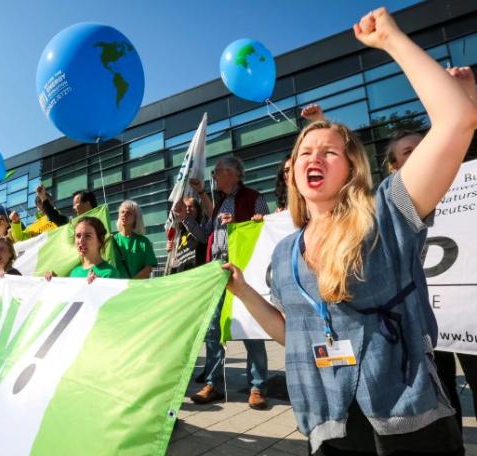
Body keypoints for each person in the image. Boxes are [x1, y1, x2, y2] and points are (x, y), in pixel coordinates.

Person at [223, 10, 477, 454]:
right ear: (292, 171)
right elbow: (292, 333)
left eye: (328, 152)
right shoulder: (285, 254)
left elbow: (457, 120)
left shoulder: (387, 212)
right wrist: (243, 292)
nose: (312, 158)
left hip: (408, 421)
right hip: (328, 424)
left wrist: (393, 40)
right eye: (304, 152)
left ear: (353, 167)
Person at [382, 66, 477, 431]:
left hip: (466, 311)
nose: (420, 154)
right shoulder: (391, 203)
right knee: (442, 392)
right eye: (408, 152)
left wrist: (467, 94)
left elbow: (461, 133)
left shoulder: (464, 178)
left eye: (424, 146)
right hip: (422, 314)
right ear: (393, 166)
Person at [186, 156, 270, 409]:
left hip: (242, 272)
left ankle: (257, 386)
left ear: (234, 174)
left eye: (219, 172)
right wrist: (186, 220)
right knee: (213, 330)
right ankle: (212, 383)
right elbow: (204, 235)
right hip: (217, 270)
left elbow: (265, 232)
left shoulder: (255, 198)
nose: (215, 176)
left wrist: (240, 226)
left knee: (249, 329)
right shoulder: (220, 202)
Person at [45, 217, 119, 282]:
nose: (81, 240)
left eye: (87, 236)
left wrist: (97, 287)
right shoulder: (74, 272)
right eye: (78, 236)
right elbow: (71, 297)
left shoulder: (109, 273)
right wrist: (55, 283)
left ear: (100, 240)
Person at [112, 200, 157, 279]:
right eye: (122, 212)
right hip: (117, 288)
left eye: (128, 213)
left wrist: (132, 283)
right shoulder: (112, 241)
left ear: (136, 218)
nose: (124, 215)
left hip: (138, 288)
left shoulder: (144, 242)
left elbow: (148, 268)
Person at [167, 197, 207, 274]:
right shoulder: (179, 232)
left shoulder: (202, 227)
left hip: (196, 274)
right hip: (180, 275)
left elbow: (203, 238)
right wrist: (170, 247)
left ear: (197, 210)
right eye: (185, 207)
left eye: (190, 206)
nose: (187, 209)